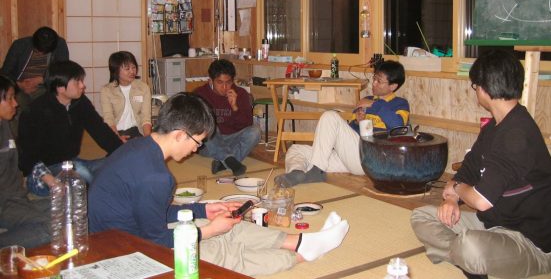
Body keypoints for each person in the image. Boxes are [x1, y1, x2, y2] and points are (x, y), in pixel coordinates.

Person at [89, 92, 350, 277]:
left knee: (220, 224)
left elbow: (153, 213)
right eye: (197, 141)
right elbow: (156, 240)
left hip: (134, 231)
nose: (196, 149)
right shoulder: (155, 176)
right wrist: (209, 231)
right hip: (124, 253)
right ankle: (300, 256)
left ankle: (300, 241)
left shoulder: (140, 147)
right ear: (179, 134)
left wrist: (204, 210)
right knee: (217, 250)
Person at [410, 49, 551, 279]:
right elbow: (467, 169)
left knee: (470, 246)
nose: (475, 91)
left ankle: (467, 257)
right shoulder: (494, 127)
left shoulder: (517, 134)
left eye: (475, 86)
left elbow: (480, 201)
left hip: (530, 243)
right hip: (491, 224)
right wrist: (451, 200)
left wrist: (457, 189)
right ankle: (467, 258)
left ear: (485, 88)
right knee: (421, 217)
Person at [275, 60, 409, 187]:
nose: (373, 83)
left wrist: (374, 104)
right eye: (374, 78)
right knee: (296, 150)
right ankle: (296, 173)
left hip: (371, 158)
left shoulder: (400, 104)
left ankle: (316, 170)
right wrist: (357, 121)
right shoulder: (366, 100)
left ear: (393, 86)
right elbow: (349, 132)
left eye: (379, 81)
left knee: (330, 116)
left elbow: (398, 126)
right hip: (350, 157)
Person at [18, 60, 123, 197]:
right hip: (43, 173)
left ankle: (95, 185)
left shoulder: (80, 102)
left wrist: (123, 151)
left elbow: (100, 130)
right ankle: (98, 191)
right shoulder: (35, 112)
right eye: (77, 82)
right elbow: (27, 157)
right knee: (82, 173)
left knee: (114, 163)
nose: (82, 85)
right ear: (60, 87)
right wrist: (48, 178)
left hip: (72, 163)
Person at [0, 75, 50, 248]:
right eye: (9, 98)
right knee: (51, 227)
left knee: (68, 205)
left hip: (18, 198)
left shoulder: (5, 124)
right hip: (5, 205)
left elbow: (25, 158)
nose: (15, 103)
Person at [194, 59, 261, 176]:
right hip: (209, 145)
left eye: (228, 82)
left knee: (255, 131)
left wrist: (235, 107)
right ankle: (230, 161)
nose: (224, 87)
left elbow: (247, 124)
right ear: (211, 80)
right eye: (220, 82)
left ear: (233, 80)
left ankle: (223, 162)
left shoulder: (241, 94)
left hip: (231, 140)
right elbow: (194, 125)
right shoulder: (200, 94)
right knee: (209, 125)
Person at [1, 26, 69, 136]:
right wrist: (19, 85)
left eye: (45, 52)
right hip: (18, 88)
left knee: (50, 107)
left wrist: (41, 79)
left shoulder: (60, 44)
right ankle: (17, 142)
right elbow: (5, 74)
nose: (41, 54)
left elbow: (62, 73)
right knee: (13, 109)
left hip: (44, 87)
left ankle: (47, 141)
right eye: (38, 51)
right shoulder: (19, 45)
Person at [100, 51, 152, 140]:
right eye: (127, 69)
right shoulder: (107, 91)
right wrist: (117, 138)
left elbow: (145, 117)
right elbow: (109, 118)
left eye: (133, 67)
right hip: (116, 132)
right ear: (116, 70)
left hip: (138, 131)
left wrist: (148, 139)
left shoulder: (143, 88)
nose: (132, 71)